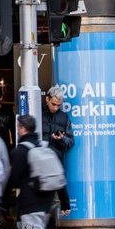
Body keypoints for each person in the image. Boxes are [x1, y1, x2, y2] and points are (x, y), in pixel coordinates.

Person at [6, 115, 54, 229]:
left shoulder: (20, 151)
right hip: (46, 201)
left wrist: (6, 198)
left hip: (29, 203)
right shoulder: (45, 147)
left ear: (22, 128)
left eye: (19, 127)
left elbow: (14, 179)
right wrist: (64, 202)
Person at [40, 87, 73, 219]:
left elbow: (70, 141)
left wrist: (62, 139)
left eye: (58, 105)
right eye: (53, 104)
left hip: (55, 157)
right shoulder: (38, 114)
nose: (55, 108)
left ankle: (63, 207)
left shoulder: (64, 118)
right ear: (47, 99)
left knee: (58, 181)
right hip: (41, 158)